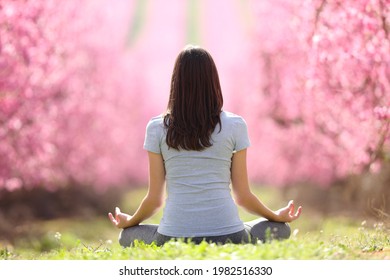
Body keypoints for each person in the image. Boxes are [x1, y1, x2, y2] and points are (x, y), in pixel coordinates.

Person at [108, 45, 302, 247]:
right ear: (213, 81)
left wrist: (130, 221)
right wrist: (274, 216)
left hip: (173, 237)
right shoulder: (235, 125)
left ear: (176, 82)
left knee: (127, 235)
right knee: (281, 229)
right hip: (231, 235)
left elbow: (154, 199)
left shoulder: (157, 128)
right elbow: (243, 196)